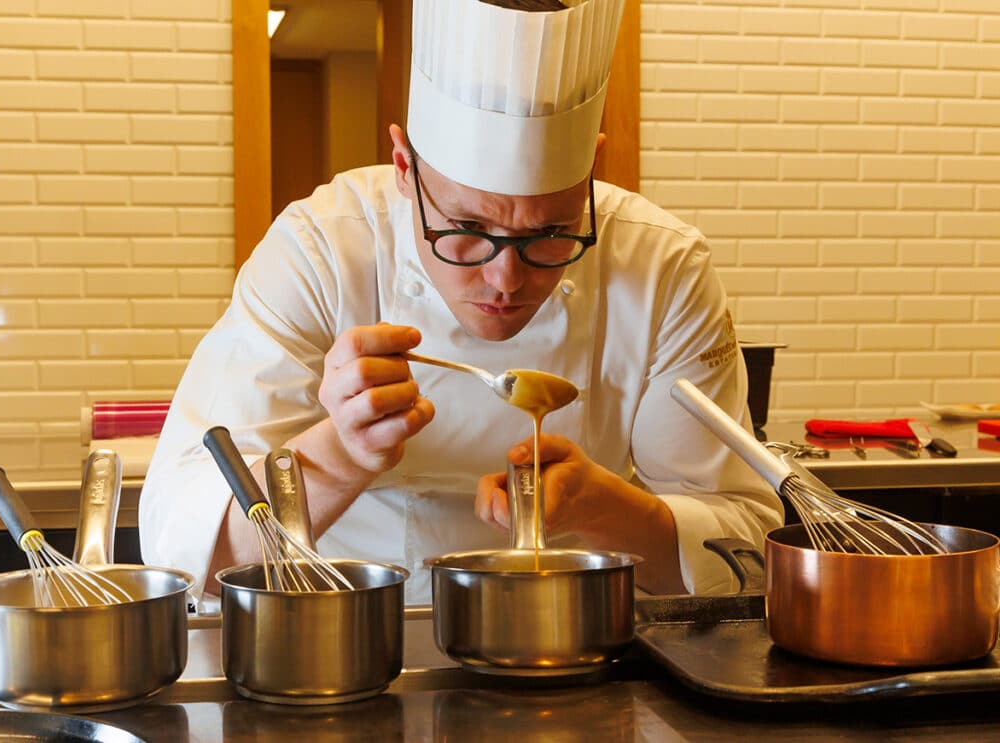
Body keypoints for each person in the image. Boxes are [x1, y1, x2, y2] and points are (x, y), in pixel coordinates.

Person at [139, 0, 783, 606]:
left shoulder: (663, 265)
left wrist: (603, 508)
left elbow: (747, 554)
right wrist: (340, 453)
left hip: (574, 640)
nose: (506, 278)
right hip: (345, 641)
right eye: (468, 229)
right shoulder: (320, 250)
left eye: (550, 232)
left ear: (592, 167)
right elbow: (187, 555)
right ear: (403, 168)